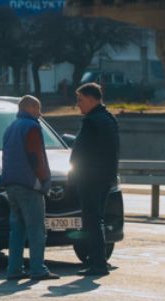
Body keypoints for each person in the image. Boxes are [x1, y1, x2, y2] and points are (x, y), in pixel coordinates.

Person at [1, 95, 58, 282]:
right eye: (38, 108)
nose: (40, 113)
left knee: (17, 229)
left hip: (11, 184)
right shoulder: (32, 127)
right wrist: (44, 181)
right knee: (36, 229)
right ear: (31, 107)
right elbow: (36, 156)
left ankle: (14, 268)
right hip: (29, 184)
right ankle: (37, 269)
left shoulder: (10, 128)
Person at [71, 82, 119, 276]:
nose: (78, 104)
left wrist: (76, 172)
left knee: (91, 220)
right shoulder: (109, 119)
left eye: (80, 100)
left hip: (90, 177)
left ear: (91, 99)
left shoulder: (91, 121)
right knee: (97, 219)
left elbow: (81, 151)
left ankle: (97, 263)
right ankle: (99, 260)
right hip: (106, 176)